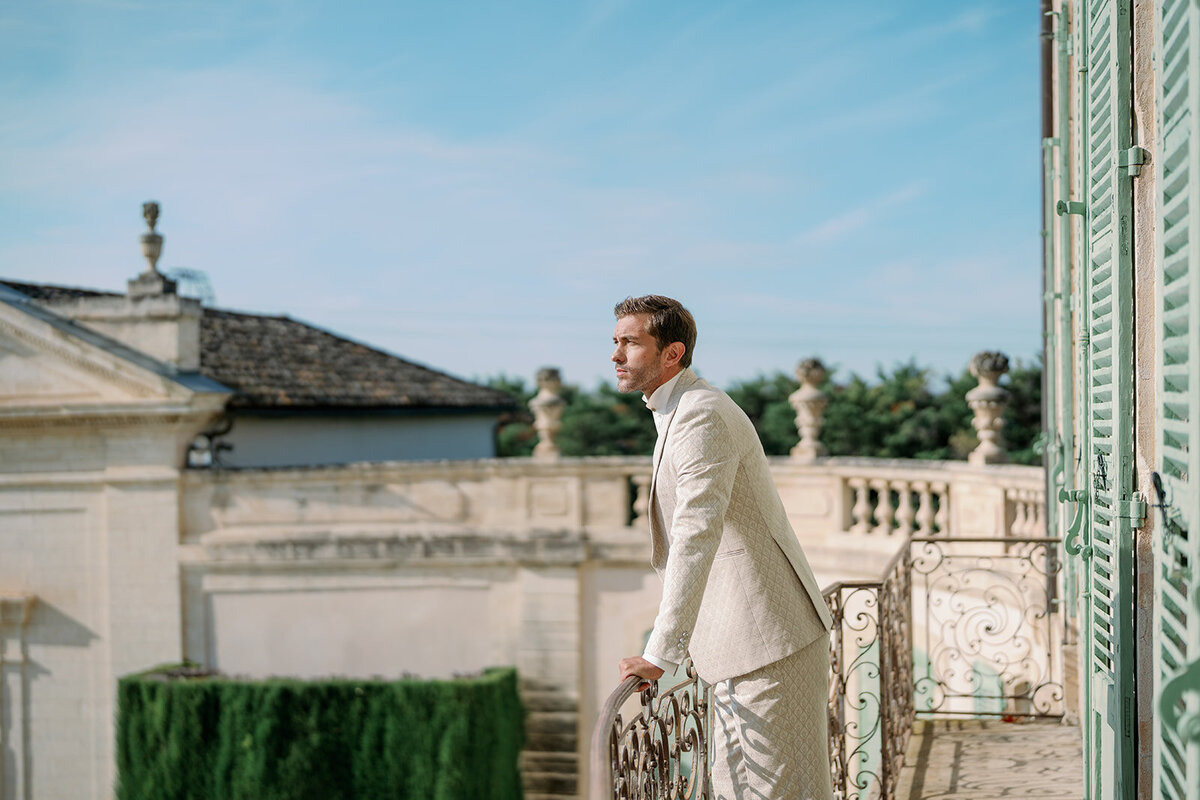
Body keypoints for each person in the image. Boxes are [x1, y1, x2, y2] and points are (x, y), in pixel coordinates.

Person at [611, 295, 835, 800]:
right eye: (615, 342)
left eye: (630, 342)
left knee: (767, 792)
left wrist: (660, 652)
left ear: (672, 353)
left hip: (767, 642)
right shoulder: (677, 409)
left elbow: (696, 534)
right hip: (750, 640)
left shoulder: (699, 414)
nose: (616, 354)